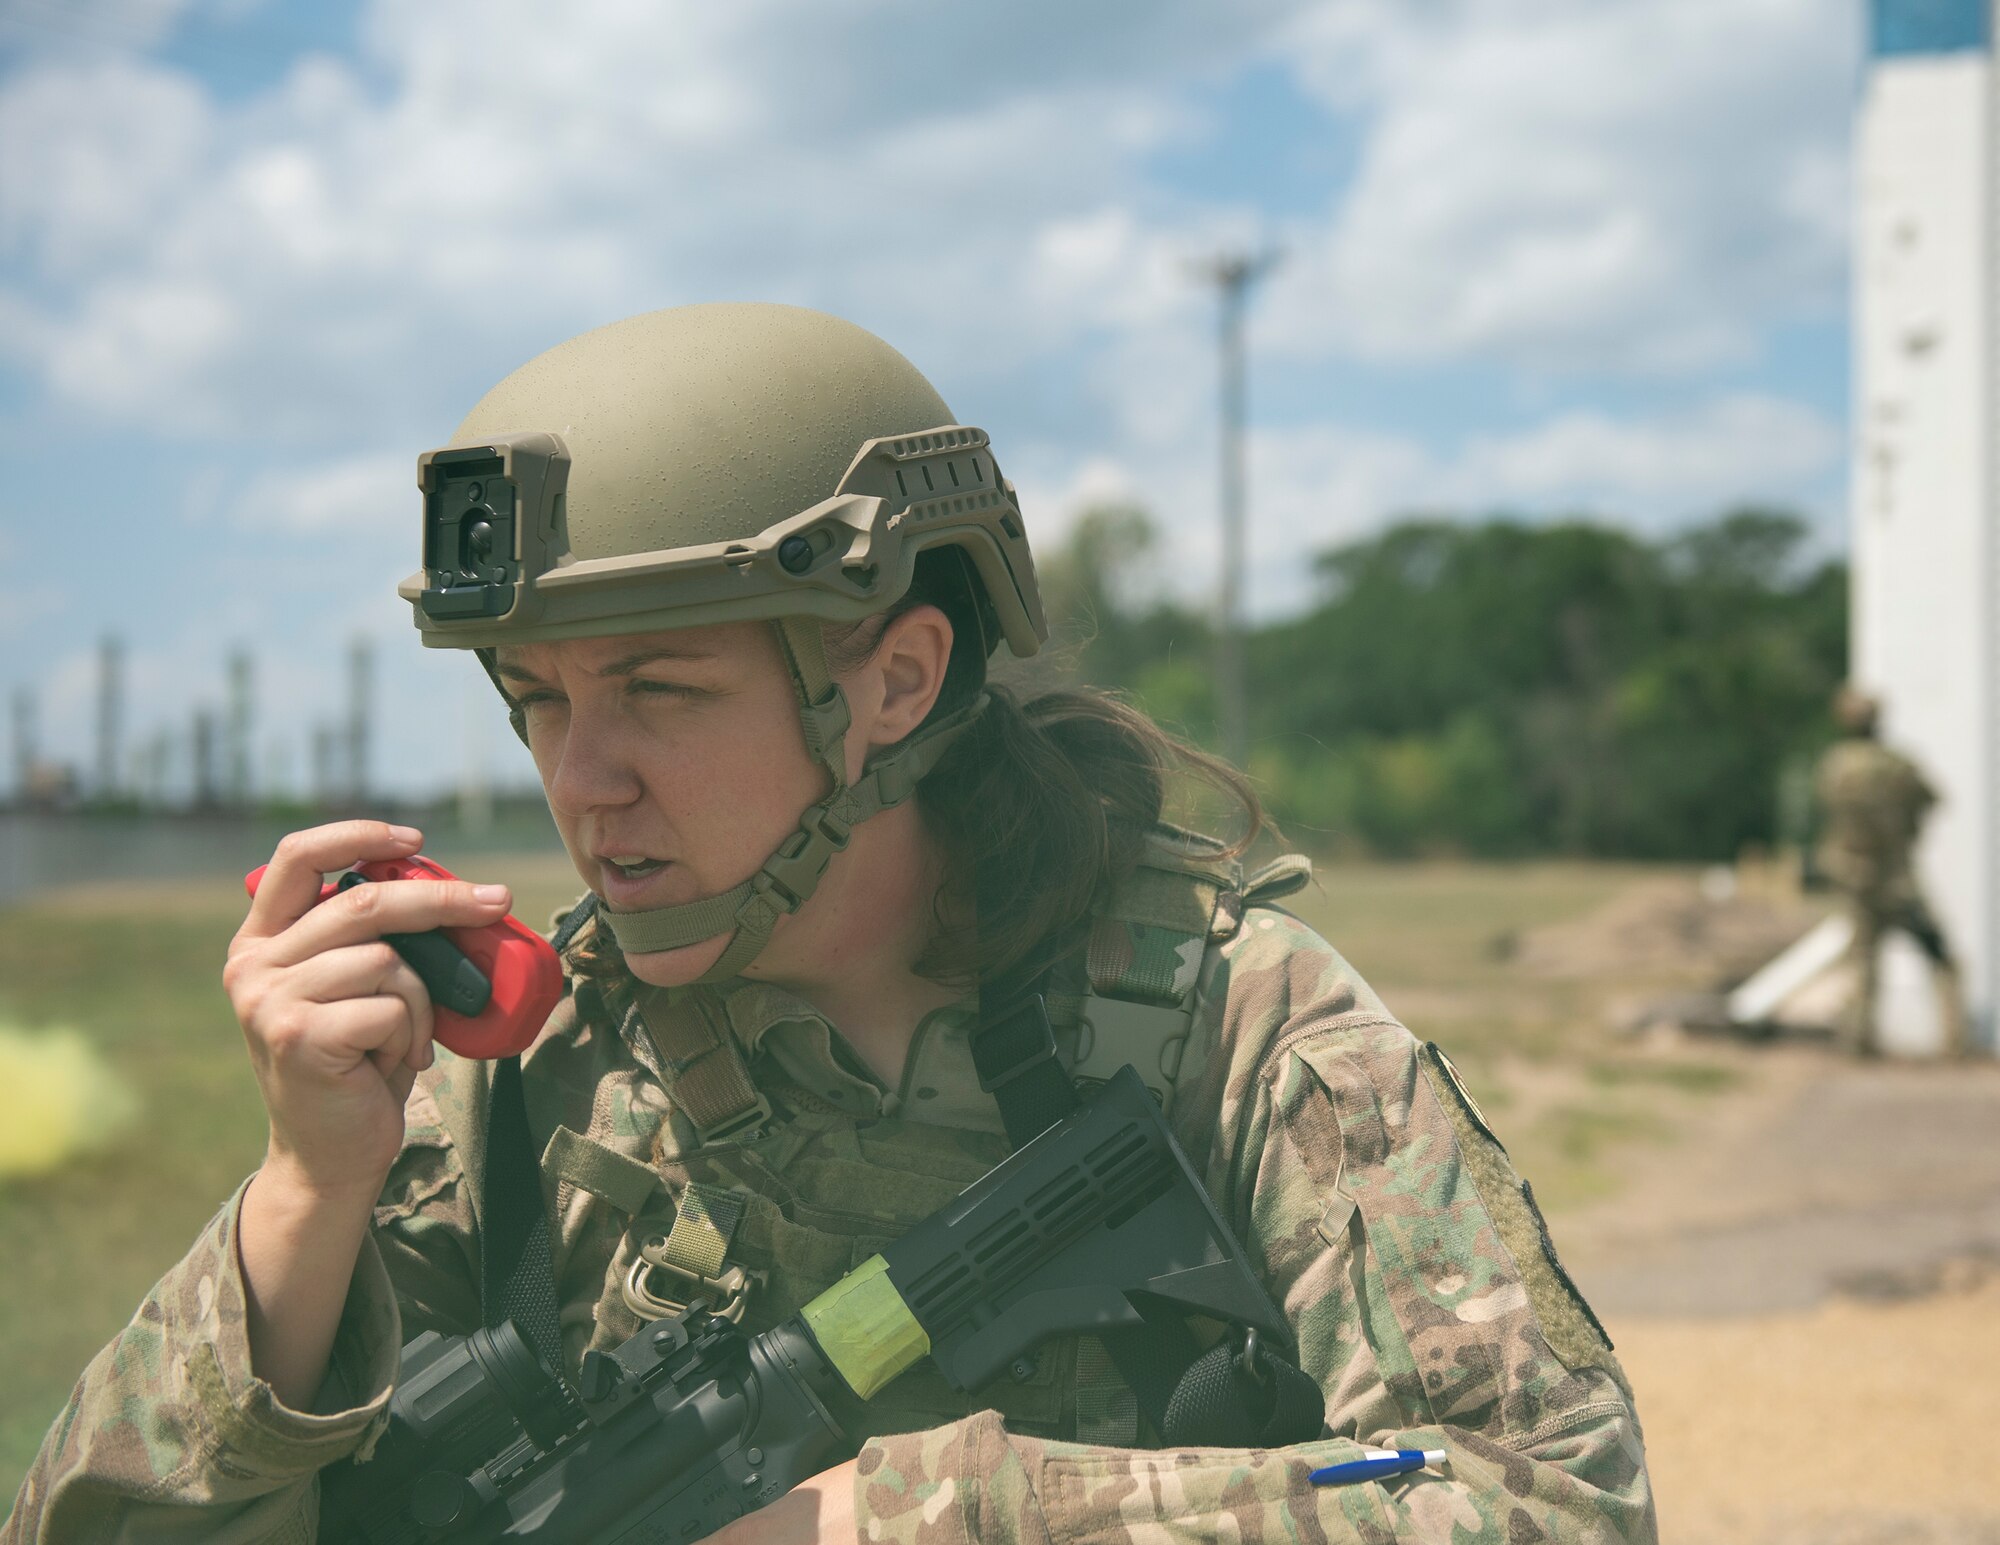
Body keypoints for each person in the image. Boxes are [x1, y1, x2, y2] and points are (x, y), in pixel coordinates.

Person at [4, 305, 1653, 1543]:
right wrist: (308, 1196)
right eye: (537, 702)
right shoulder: (508, 1079)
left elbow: (1546, 1498)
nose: (586, 782)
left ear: (895, 680)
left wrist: (897, 1521)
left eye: (656, 691)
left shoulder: (1237, 1025)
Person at [1814, 686, 1966, 1057]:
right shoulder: (1897, 765)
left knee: (1863, 961)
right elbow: (1932, 799)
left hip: (1854, 877)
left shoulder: (1834, 766)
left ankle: (1858, 1041)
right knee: (1942, 958)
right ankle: (1955, 1041)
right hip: (1897, 878)